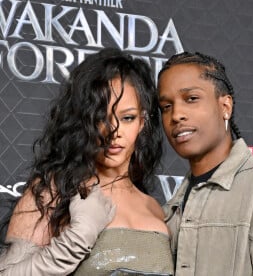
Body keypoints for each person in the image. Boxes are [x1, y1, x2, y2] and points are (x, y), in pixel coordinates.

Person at [0, 48, 174, 276]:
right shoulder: (54, 191)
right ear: (84, 121)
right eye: (101, 118)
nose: (114, 131)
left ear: (142, 122)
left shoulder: (155, 208)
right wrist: (77, 238)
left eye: (127, 118)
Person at [157, 51, 253, 276]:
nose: (176, 115)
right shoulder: (170, 209)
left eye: (191, 99)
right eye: (166, 106)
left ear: (225, 106)